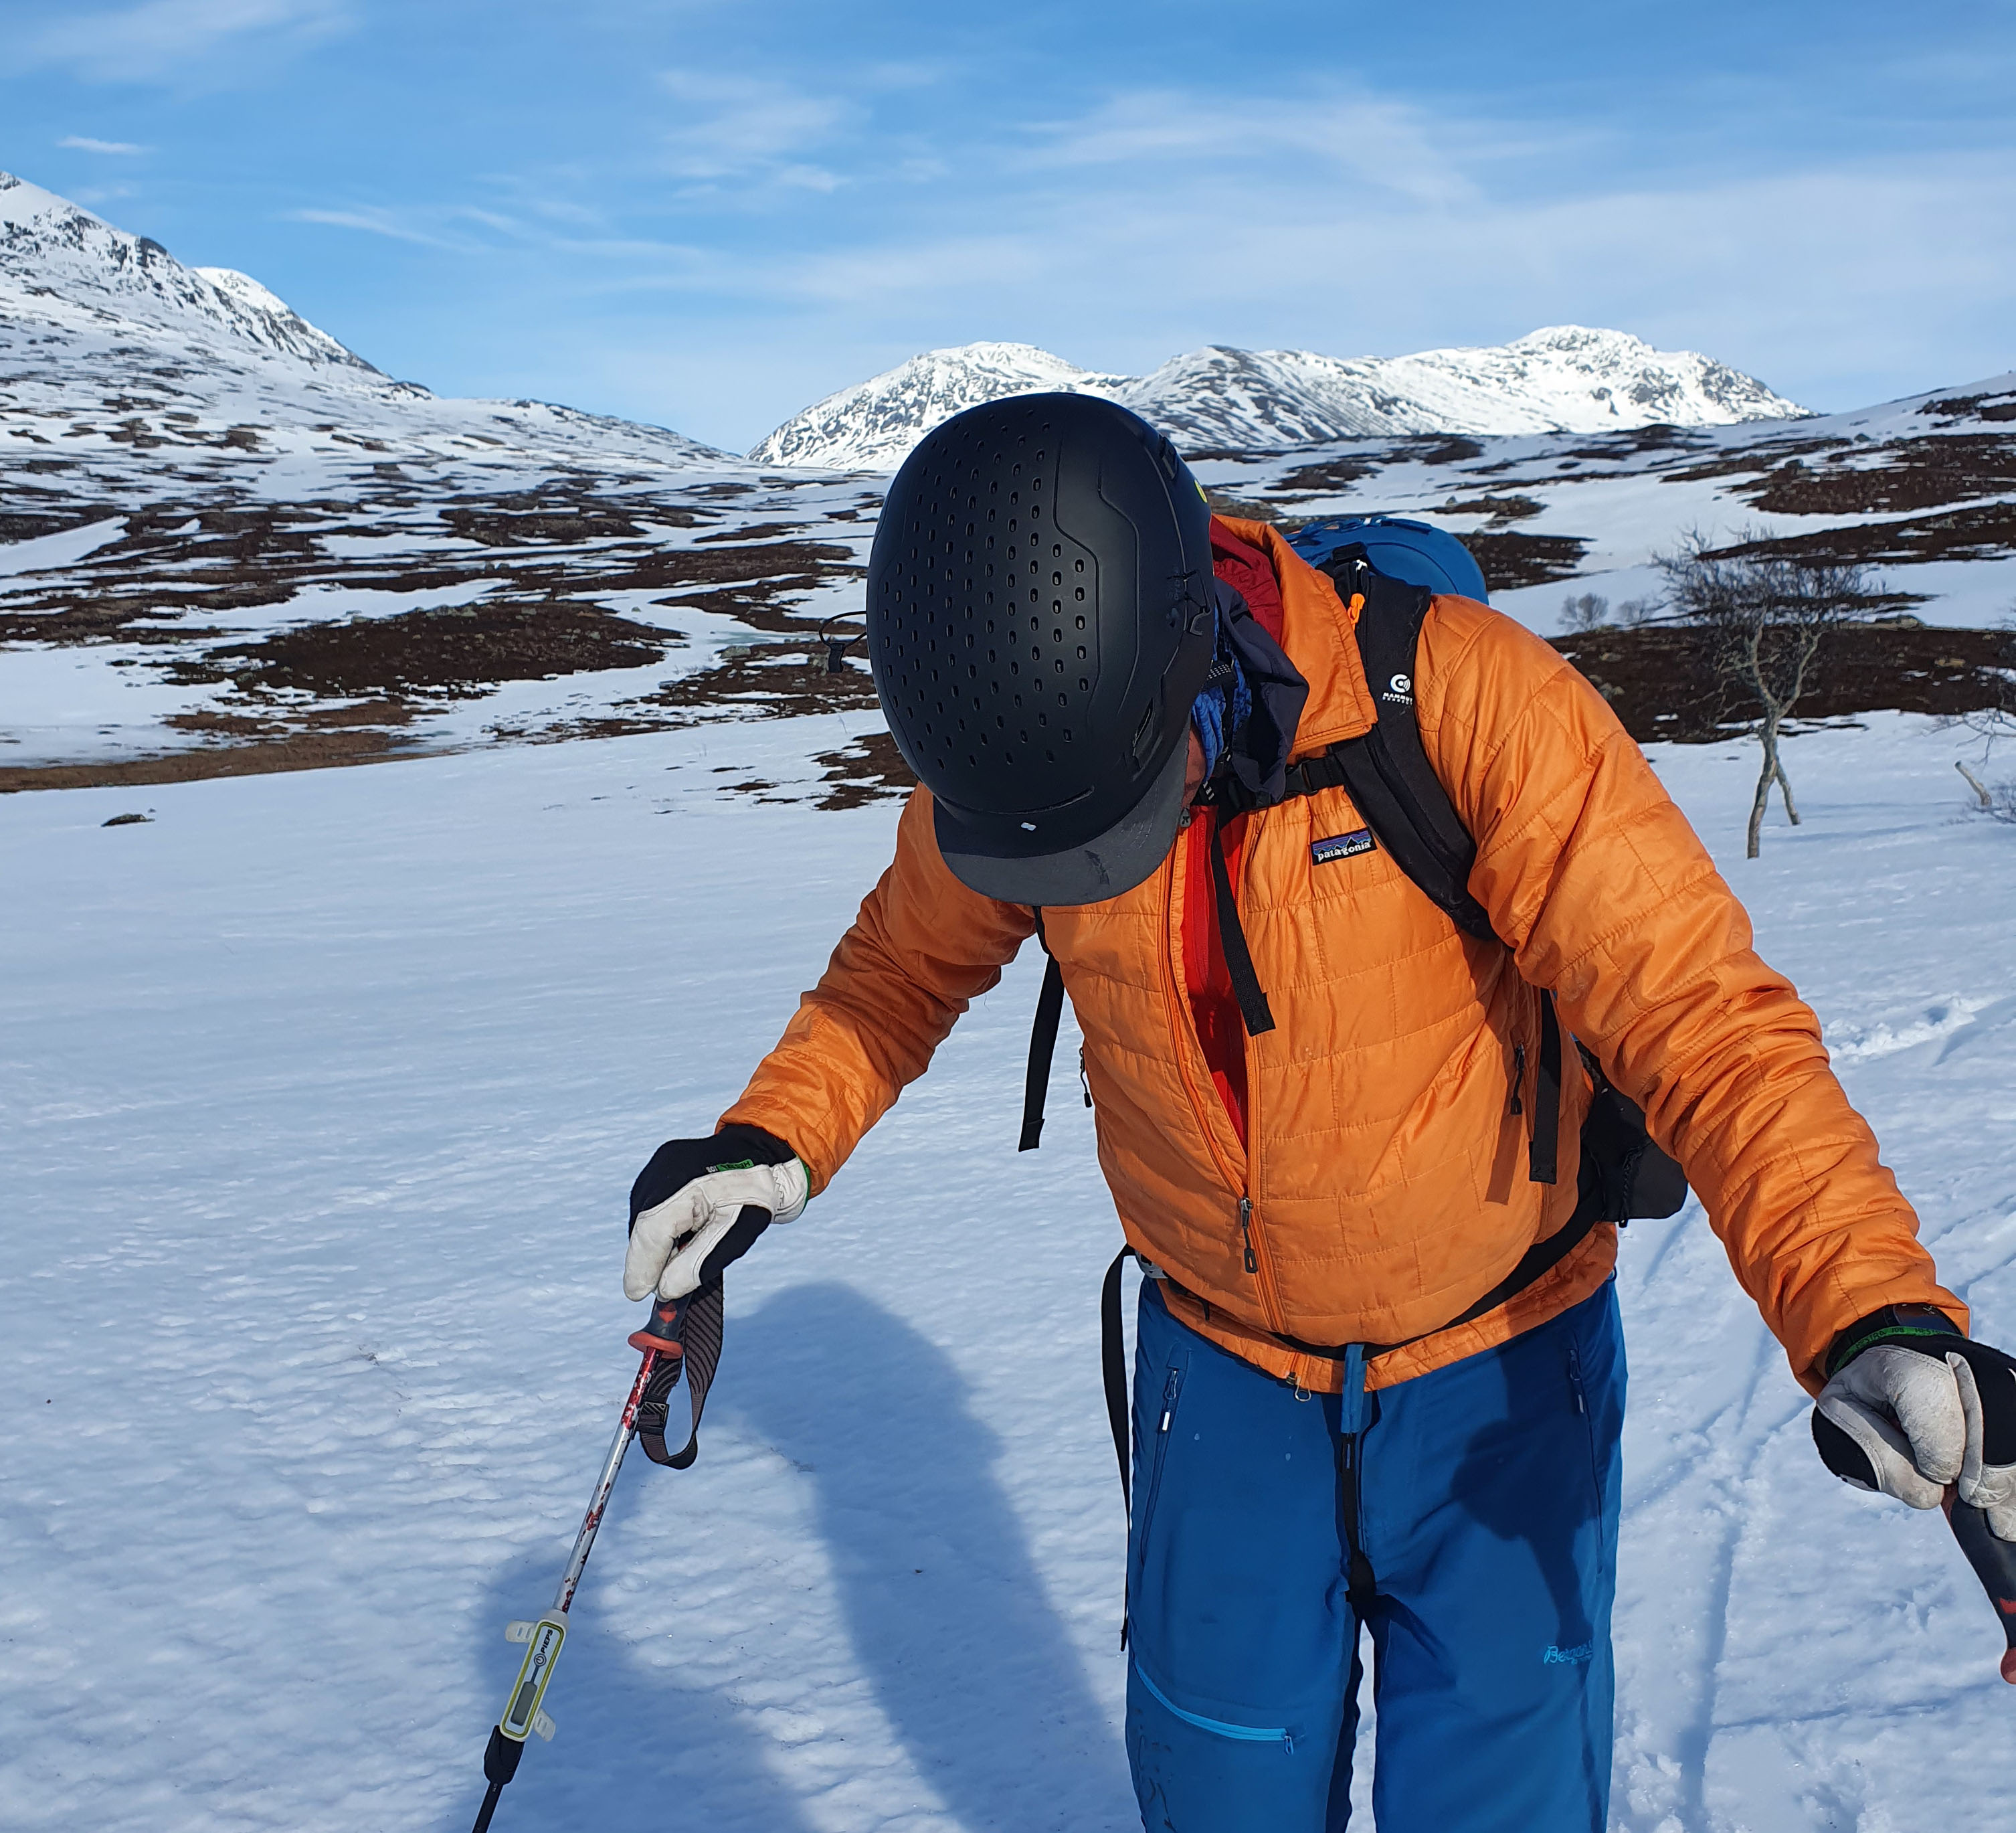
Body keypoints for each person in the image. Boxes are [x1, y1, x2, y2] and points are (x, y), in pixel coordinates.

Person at [620, 394, 2014, 1831]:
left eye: (1119, 814)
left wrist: (1871, 1313)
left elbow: (1703, 1024)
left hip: (1503, 1385)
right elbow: (899, 968)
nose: (1081, 867)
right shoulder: (1024, 752)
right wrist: (769, 1139)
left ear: (1181, 661)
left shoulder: (1468, 703)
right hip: (1217, 1385)